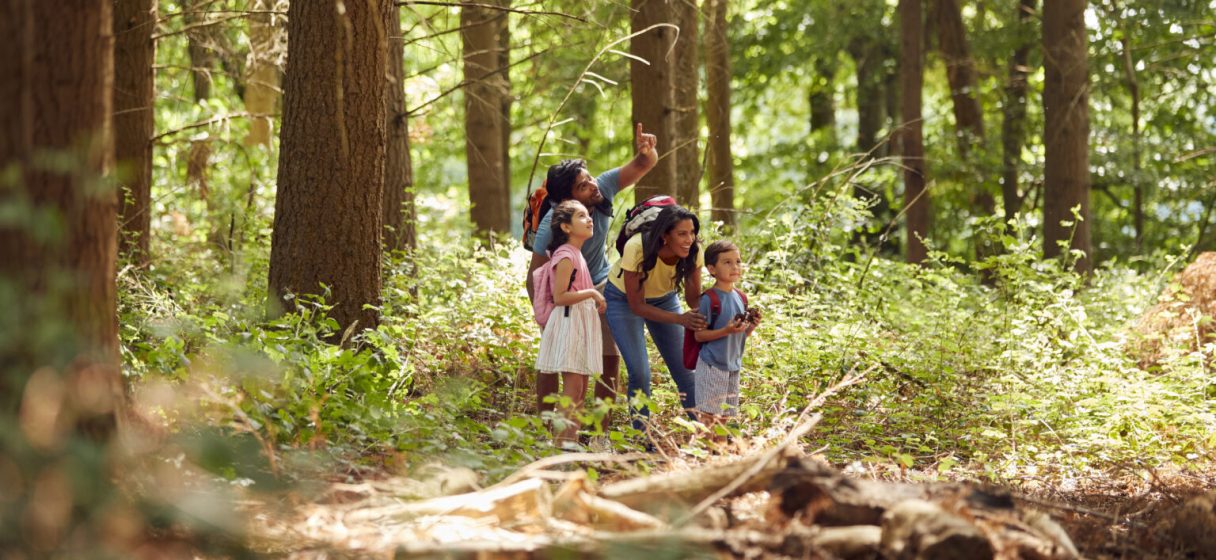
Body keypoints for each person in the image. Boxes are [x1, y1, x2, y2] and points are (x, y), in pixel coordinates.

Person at [527, 124, 658, 432]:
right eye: (583, 186)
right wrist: (547, 318)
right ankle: (549, 430)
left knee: (608, 356)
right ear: (567, 202)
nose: (592, 186)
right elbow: (536, 274)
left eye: (588, 178)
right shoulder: (552, 223)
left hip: (600, 282)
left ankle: (599, 432)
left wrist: (647, 150)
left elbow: (643, 164)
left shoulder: (603, 188)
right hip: (562, 286)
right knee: (554, 357)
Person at [604, 205, 708, 434]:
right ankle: (642, 437)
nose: (689, 239)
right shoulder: (637, 247)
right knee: (640, 372)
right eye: (682, 233)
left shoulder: (693, 251)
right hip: (623, 300)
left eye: (692, 232)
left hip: (664, 298)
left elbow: (694, 301)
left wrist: (725, 304)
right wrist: (680, 319)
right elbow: (637, 305)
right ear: (664, 236)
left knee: (686, 369)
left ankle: (704, 434)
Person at [535, 201, 606, 449]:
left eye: (589, 216)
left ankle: (570, 444)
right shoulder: (565, 255)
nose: (589, 220)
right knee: (573, 386)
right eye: (581, 216)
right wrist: (592, 293)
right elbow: (560, 296)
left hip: (579, 320)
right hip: (569, 320)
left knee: (581, 388)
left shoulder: (577, 254)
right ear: (566, 226)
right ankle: (559, 446)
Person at [693, 240, 761, 438]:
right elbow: (699, 335)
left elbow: (740, 335)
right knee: (708, 415)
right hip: (712, 364)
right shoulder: (709, 299)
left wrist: (751, 327)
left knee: (725, 416)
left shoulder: (741, 297)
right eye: (727, 262)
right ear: (712, 269)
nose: (735, 267)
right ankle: (704, 457)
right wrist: (725, 330)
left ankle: (720, 455)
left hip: (733, 365)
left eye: (738, 261)